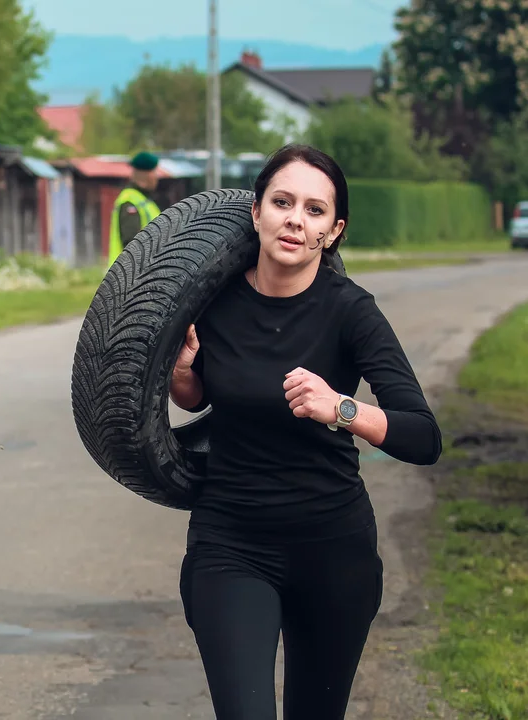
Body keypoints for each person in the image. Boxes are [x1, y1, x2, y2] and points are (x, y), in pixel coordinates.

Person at [168, 143, 442, 720]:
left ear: (333, 231)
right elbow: (201, 399)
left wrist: (341, 409)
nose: (295, 219)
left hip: (333, 547)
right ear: (256, 213)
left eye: (315, 210)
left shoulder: (352, 312)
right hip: (231, 542)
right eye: (282, 202)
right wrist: (183, 373)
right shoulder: (211, 303)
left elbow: (422, 436)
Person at [106, 151, 161, 266]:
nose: (157, 178)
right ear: (147, 175)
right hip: (128, 276)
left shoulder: (146, 202)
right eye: (155, 173)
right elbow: (131, 243)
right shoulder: (130, 201)